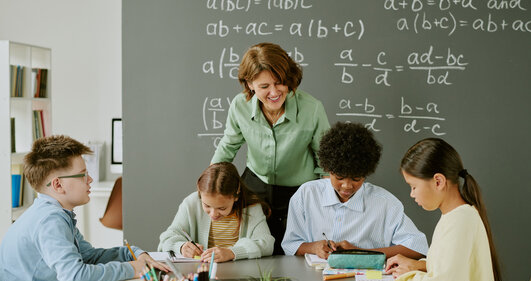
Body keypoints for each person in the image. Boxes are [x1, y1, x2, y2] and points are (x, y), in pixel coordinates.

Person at [0, 135, 167, 281]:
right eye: (83, 174)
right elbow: (75, 277)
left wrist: (134, 254)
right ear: (58, 185)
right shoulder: (49, 220)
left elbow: (89, 257)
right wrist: (133, 268)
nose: (90, 179)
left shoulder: (57, 213)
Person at [384, 138, 509, 281]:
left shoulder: (461, 220)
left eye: (413, 186)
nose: (412, 194)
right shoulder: (455, 215)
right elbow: (454, 269)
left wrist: (406, 279)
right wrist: (418, 265)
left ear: (438, 181)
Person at [211, 42, 330, 255]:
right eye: (264, 87)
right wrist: (211, 188)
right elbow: (228, 147)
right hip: (255, 187)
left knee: (294, 254)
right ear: (249, 84)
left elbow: (326, 161)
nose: (274, 92)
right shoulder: (239, 105)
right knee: (253, 251)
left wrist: (326, 205)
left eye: (279, 83)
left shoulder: (312, 109)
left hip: (299, 192)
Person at [281, 122, 428, 259]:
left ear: (366, 173)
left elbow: (419, 247)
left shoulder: (386, 203)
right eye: (339, 177)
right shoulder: (306, 195)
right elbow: (290, 245)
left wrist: (360, 253)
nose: (347, 186)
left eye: (356, 179)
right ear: (327, 170)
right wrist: (313, 247)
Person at [158, 162, 274, 263]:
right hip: (200, 274)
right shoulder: (191, 203)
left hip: (239, 275)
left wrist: (231, 252)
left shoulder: (252, 209)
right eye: (207, 205)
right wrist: (181, 246)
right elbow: (167, 239)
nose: (213, 214)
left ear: (236, 194)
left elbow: (267, 244)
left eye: (222, 208)